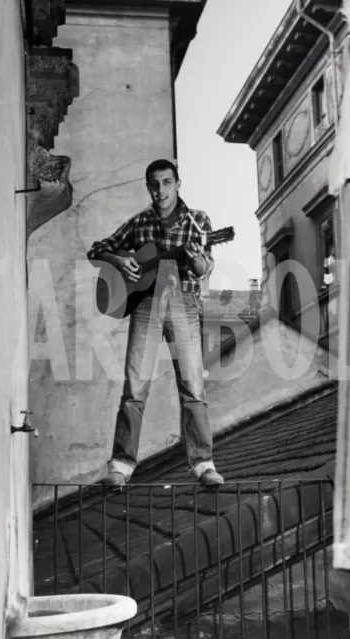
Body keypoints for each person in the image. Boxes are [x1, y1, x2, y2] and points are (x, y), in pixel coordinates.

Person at [87, 159, 224, 487]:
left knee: (193, 387)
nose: (160, 189)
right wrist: (120, 260)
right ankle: (121, 465)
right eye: (154, 183)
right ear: (148, 186)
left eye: (166, 182)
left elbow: (205, 268)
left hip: (184, 305)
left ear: (178, 184)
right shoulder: (140, 222)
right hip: (146, 304)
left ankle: (203, 464)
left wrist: (197, 260)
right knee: (134, 386)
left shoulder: (198, 221)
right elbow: (97, 250)